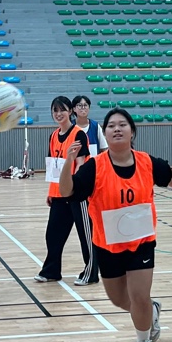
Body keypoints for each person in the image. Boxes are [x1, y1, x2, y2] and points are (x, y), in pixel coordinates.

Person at [58, 108, 172, 342]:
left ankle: (142, 341)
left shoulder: (147, 162)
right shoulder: (95, 167)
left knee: (139, 296)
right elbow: (67, 191)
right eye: (111, 125)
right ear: (104, 134)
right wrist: (69, 162)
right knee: (118, 299)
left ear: (132, 131)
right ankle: (150, 312)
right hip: (108, 244)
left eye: (122, 124)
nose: (116, 128)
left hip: (141, 243)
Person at [36, 96, 97, 285]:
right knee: (53, 234)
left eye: (62, 110)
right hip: (58, 193)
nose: (58, 114)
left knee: (85, 235)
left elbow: (80, 164)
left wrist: (75, 188)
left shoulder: (78, 134)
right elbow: (54, 167)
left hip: (76, 193)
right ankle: (51, 271)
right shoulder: (53, 136)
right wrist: (51, 191)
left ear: (70, 111)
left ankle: (91, 273)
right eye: (55, 110)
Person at [72, 94, 106, 158]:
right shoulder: (70, 126)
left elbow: (104, 148)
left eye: (85, 105)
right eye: (80, 105)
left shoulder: (95, 126)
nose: (83, 107)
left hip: (93, 165)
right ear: (74, 109)